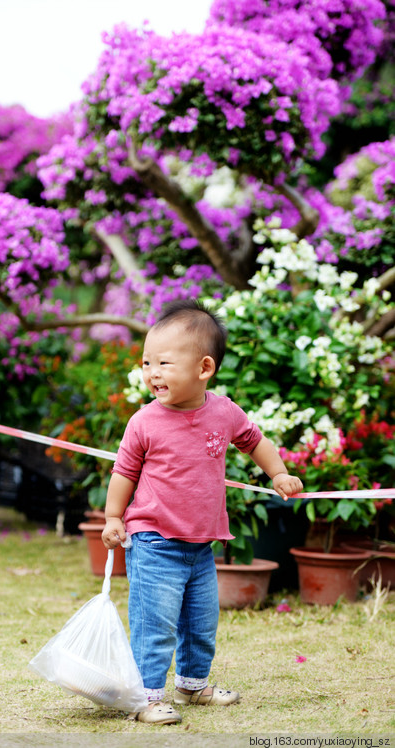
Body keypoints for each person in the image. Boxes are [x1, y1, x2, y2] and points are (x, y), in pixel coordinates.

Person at [101, 299, 303, 725]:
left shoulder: (223, 411)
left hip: (201, 544)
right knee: (155, 625)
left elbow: (254, 441)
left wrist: (279, 473)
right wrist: (114, 517)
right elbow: (123, 472)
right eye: (147, 362)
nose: (151, 372)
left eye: (163, 363)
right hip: (155, 541)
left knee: (200, 622)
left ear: (204, 368)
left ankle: (193, 686)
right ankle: (147, 696)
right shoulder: (143, 422)